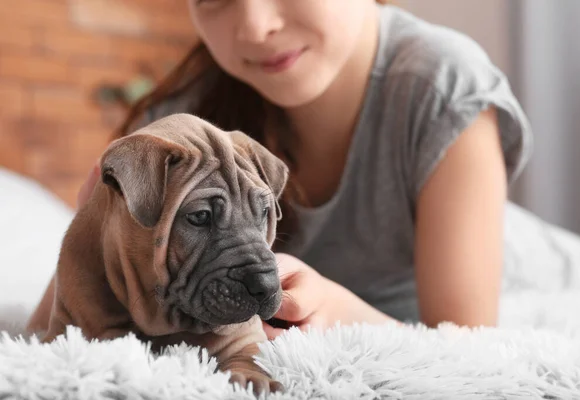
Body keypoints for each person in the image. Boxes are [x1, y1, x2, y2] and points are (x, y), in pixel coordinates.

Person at [27, 0, 539, 339]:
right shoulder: (186, 123)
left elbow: (471, 351)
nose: (254, 26)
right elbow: (55, 327)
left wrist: (342, 315)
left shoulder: (444, 90)